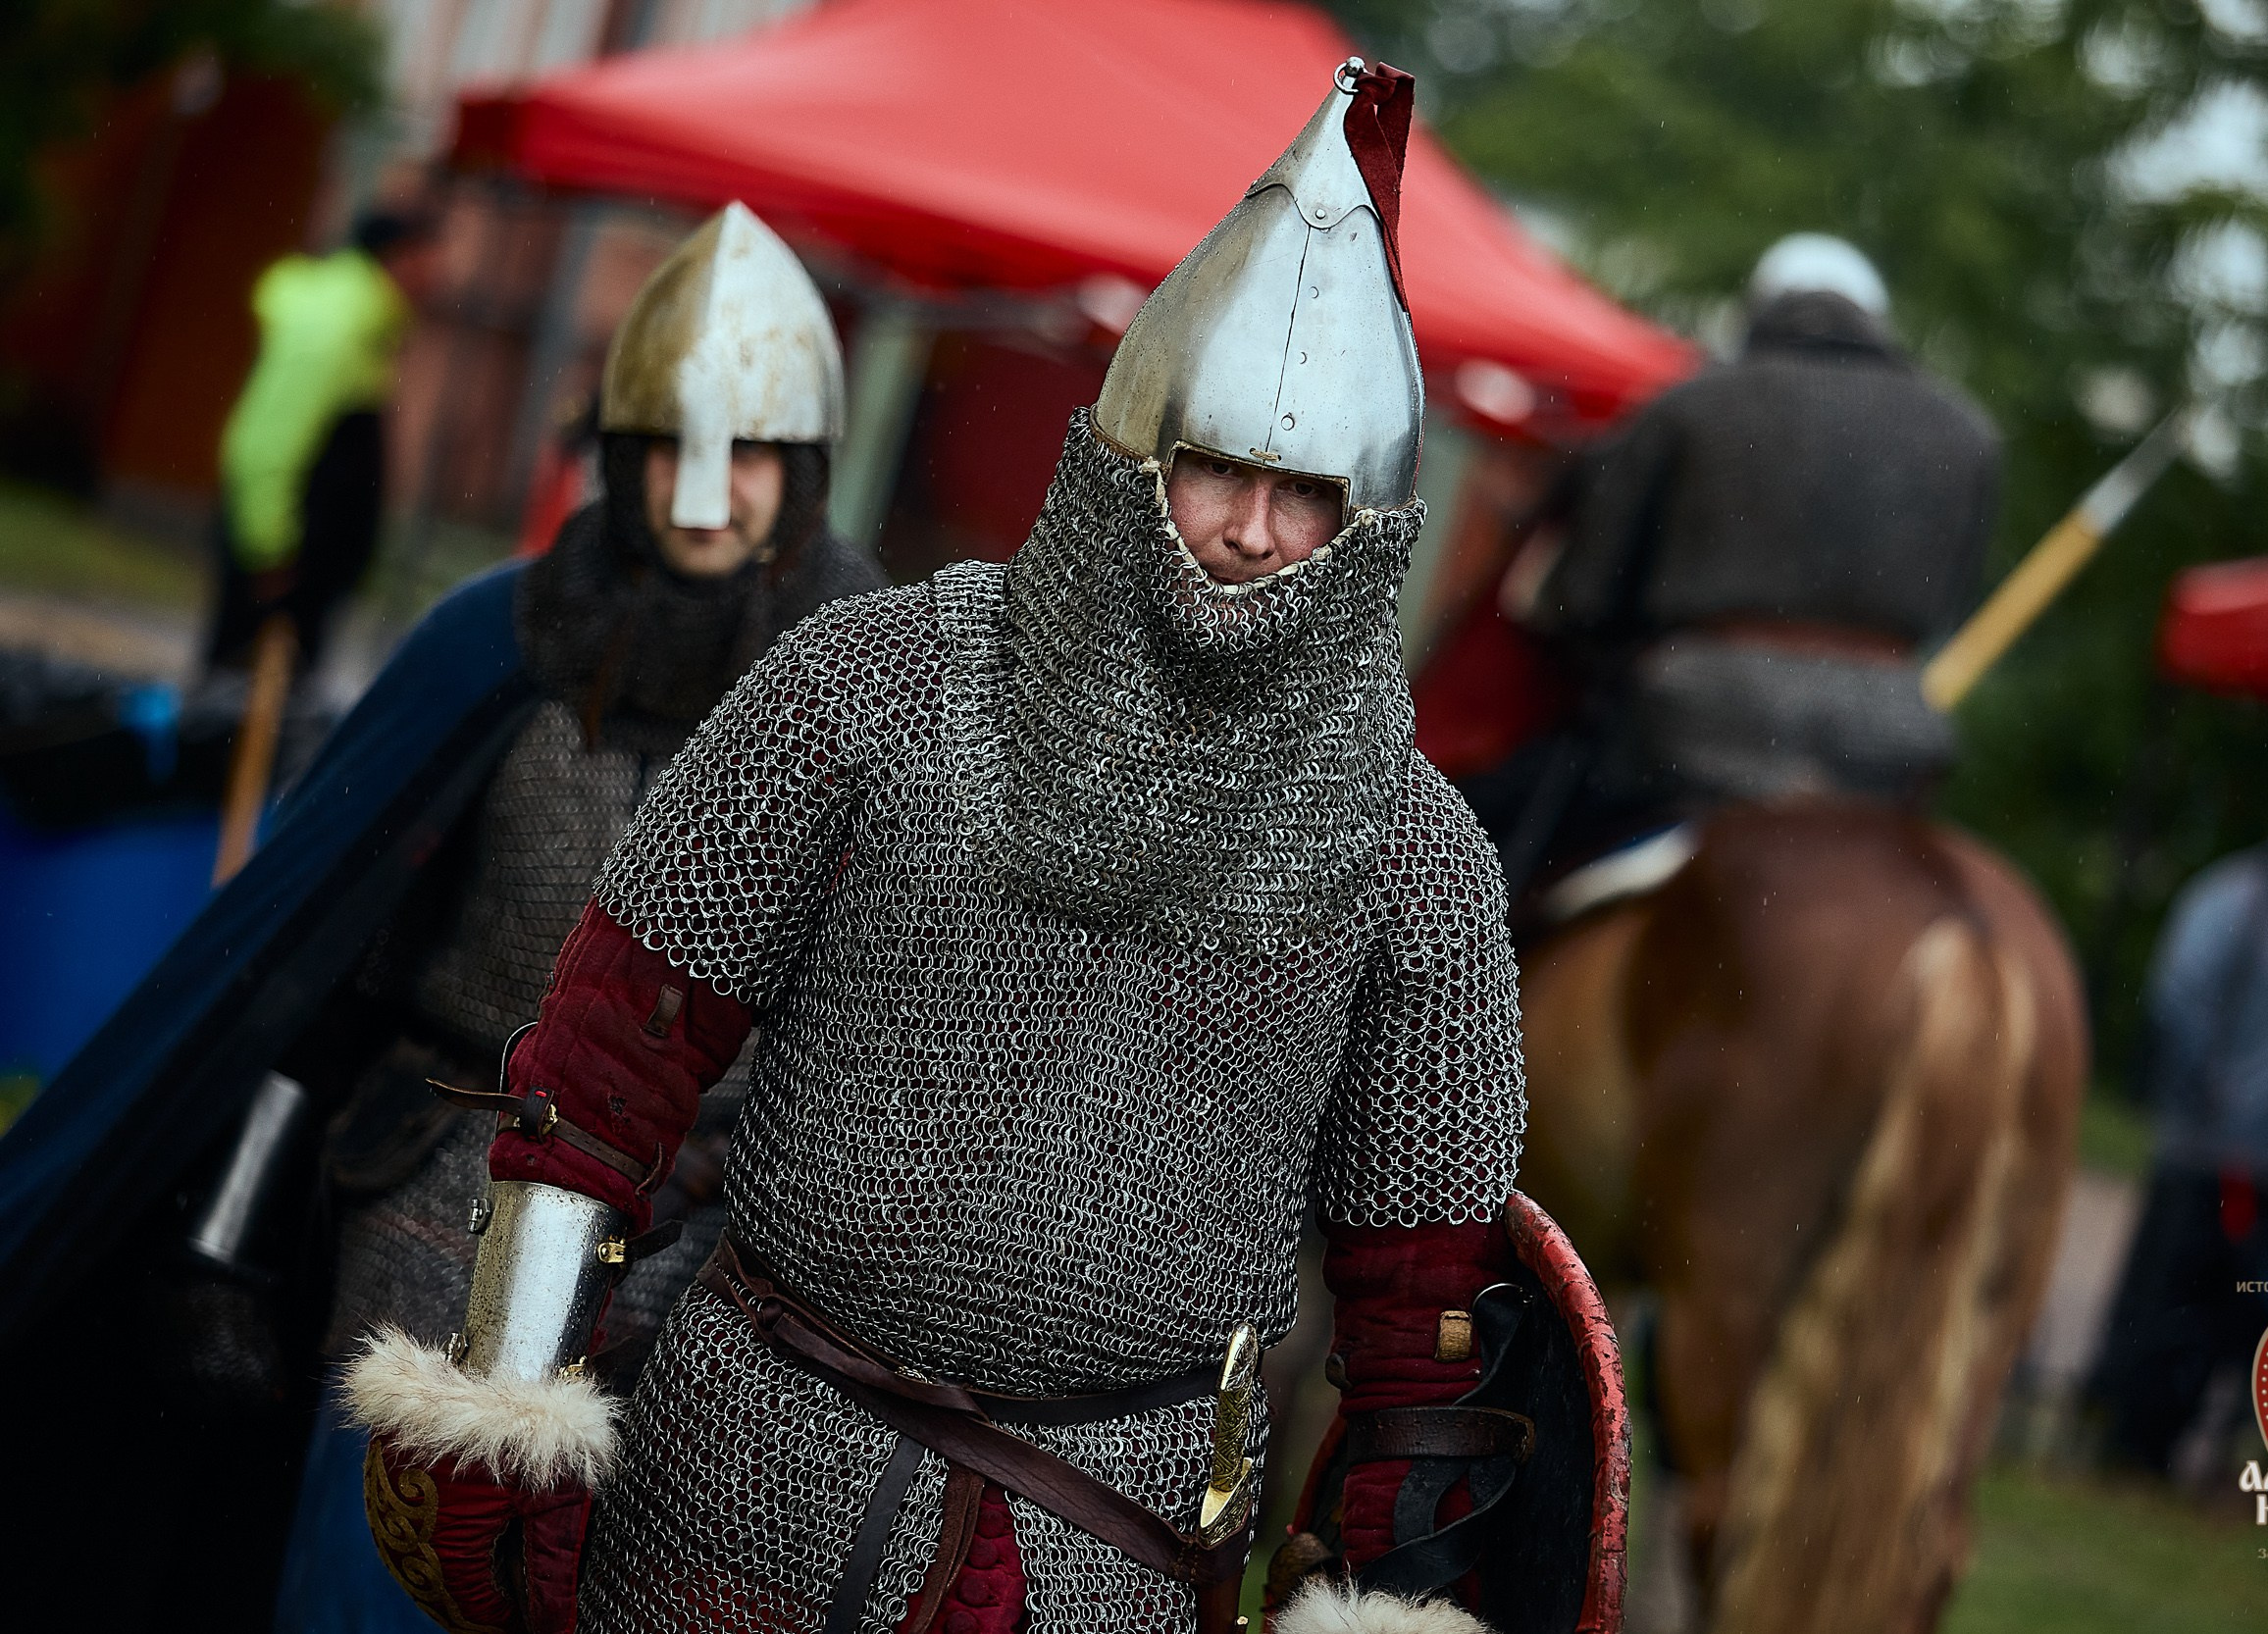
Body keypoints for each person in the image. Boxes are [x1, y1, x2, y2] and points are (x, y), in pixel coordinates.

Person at [346, 63, 1526, 1634]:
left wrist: (1384, 1593)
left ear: (1366, 526)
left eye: (1301, 493)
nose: (1248, 528)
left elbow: (1423, 1310)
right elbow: (605, 1066)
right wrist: (510, 1393)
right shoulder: (871, 684)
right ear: (1130, 459)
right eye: (1215, 470)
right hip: (744, 1458)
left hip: (1109, 1536)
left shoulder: (1416, 855)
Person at [0, 202, 880, 1629]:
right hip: (446, 1164)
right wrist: (220, 1240)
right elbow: (312, 972)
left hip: (720, 1223)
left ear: (811, 467)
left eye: (753, 454)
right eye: (674, 446)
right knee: (371, 1569)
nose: (709, 492)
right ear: (619, 451)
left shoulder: (868, 685)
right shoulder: (502, 639)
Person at [1474, 232, 2000, 891]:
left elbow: (1583, 597)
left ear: (1762, 307)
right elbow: (1949, 606)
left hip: (1689, 735)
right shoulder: (1967, 433)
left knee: (1480, 866)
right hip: (1886, 753)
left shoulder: (1689, 406)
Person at [2087, 784, 2268, 1476]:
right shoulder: (2235, 904)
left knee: (2223, 1311)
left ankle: (2174, 1442)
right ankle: (2128, 1444)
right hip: (2210, 1149)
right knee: (2169, 1297)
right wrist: (2207, 1099)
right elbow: (2180, 999)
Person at [207, 207, 444, 680]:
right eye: (429, 259)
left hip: (300, 558)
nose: (436, 276)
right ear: (399, 257)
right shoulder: (339, 324)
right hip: (284, 562)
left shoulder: (367, 320)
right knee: (241, 708)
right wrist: (270, 548)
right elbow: (267, 443)